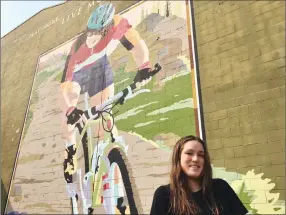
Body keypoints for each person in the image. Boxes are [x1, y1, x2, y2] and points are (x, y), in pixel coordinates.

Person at [60, 2, 153, 203]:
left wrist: (144, 66)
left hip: (100, 70)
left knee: (105, 118)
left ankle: (108, 172)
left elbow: (137, 45)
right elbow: (66, 85)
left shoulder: (118, 24)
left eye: (99, 33)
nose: (93, 38)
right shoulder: (77, 46)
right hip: (77, 76)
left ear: (108, 27)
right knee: (68, 120)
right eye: (90, 33)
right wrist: (71, 108)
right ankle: (70, 154)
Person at [150, 135, 248, 215]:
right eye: (189, 153)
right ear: (178, 158)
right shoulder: (163, 195)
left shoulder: (221, 187)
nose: (196, 159)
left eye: (201, 155)